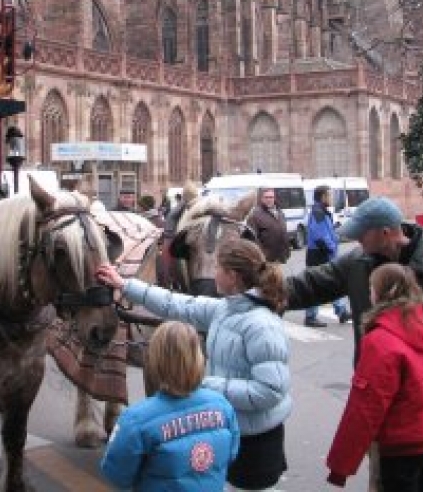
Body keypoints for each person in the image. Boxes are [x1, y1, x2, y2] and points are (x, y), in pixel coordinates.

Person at [286, 196, 423, 492]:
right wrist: (263, 291)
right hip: (387, 423)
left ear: (385, 232)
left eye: (362, 232)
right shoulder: (359, 262)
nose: (356, 239)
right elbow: (312, 284)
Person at [98, 238, 292, 491]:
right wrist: (124, 285)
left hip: (256, 441)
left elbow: (270, 391)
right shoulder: (227, 309)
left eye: (217, 268)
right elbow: (177, 304)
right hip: (228, 428)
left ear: (232, 276)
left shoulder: (262, 325)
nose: (213, 274)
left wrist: (205, 385)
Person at [326, 263, 423, 491]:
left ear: (381, 294)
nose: (369, 294)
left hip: (402, 446)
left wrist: (341, 465)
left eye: (371, 289)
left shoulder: (381, 342)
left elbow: (365, 407)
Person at [100, 321, 240, 491]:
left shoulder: (135, 419)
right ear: (200, 359)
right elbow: (231, 454)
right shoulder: (223, 406)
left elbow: (117, 474)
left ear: (155, 361)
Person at [305, 185, 351, 326]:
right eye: (329, 195)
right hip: (320, 254)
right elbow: (320, 236)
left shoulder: (322, 211)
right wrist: (331, 249)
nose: (331, 198)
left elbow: (327, 233)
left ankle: (341, 311)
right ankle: (311, 317)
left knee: (334, 282)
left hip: (323, 253)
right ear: (323, 197)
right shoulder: (318, 213)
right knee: (316, 285)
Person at [246, 187, 291, 264]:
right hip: (265, 259)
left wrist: (287, 250)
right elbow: (251, 238)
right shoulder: (255, 215)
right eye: (266, 197)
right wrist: (261, 255)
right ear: (261, 199)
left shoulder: (279, 212)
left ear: (274, 198)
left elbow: (283, 232)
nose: (269, 199)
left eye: (271, 197)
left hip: (279, 257)